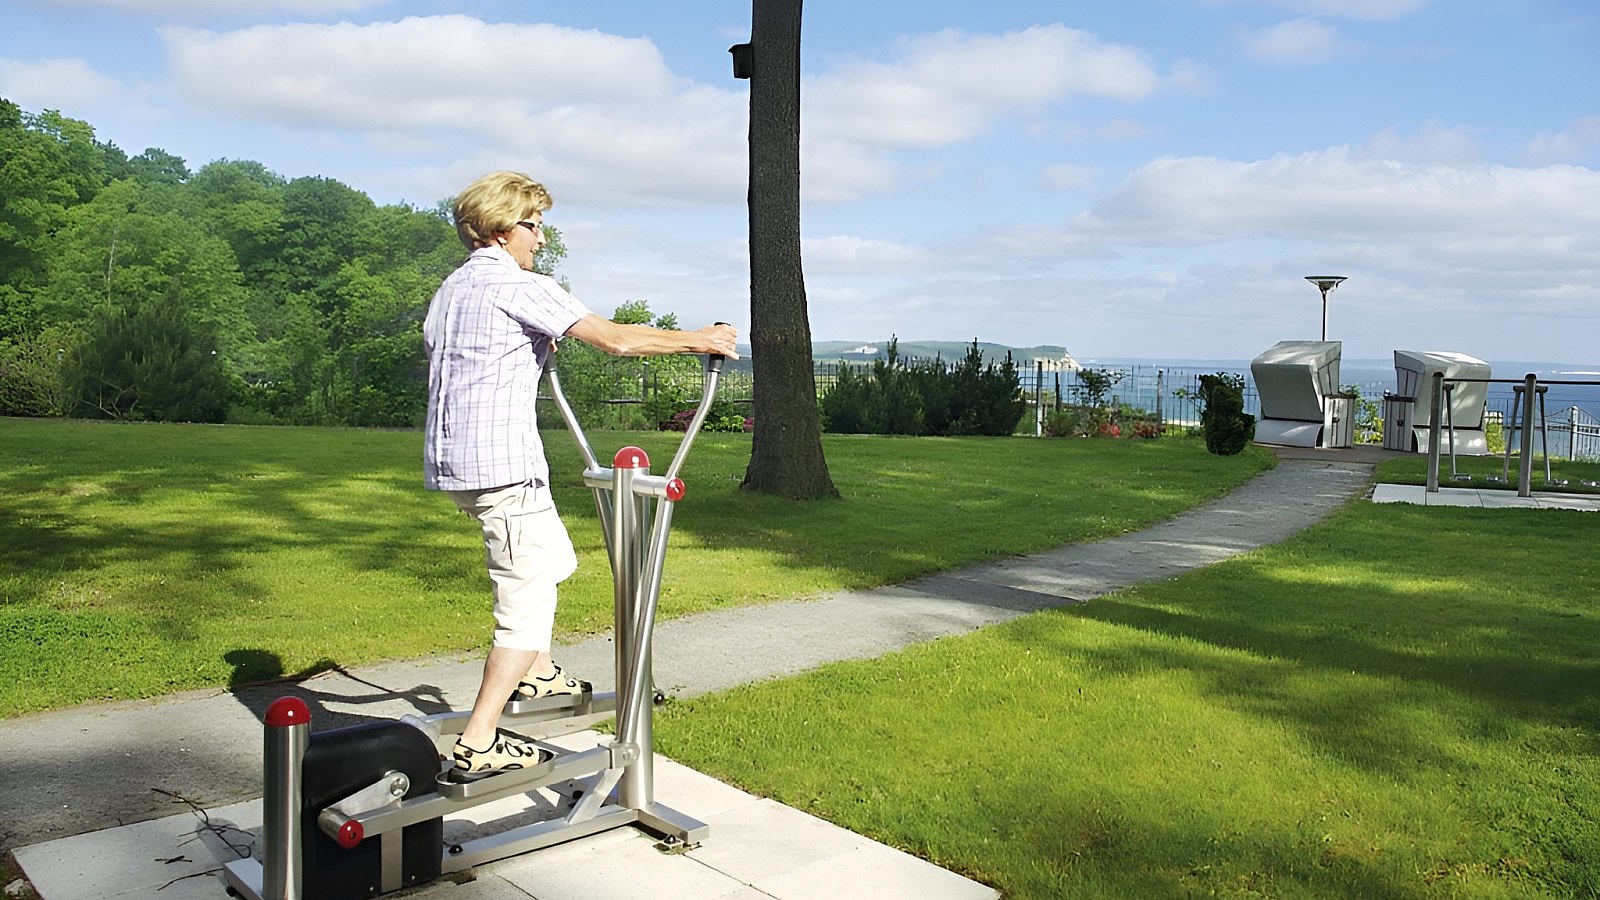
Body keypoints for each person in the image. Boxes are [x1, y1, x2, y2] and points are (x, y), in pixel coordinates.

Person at [423, 170, 739, 781]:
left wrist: (532, 344)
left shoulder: (450, 291)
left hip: (457, 462)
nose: (539, 240)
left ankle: (537, 673)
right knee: (526, 599)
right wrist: (697, 339)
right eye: (533, 226)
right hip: (502, 466)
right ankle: (480, 739)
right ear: (498, 229)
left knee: (554, 557)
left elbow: (472, 355)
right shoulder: (519, 285)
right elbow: (616, 341)